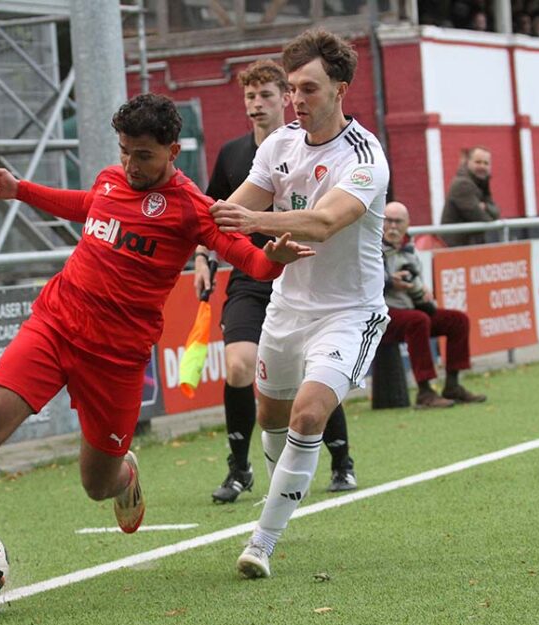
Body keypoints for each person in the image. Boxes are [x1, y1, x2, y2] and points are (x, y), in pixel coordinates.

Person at [0, 93, 314, 594]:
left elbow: (251, 262)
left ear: (173, 152)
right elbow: (87, 206)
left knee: (96, 485)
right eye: (125, 150)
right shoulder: (111, 178)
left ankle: (125, 473)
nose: (130, 164)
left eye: (144, 155)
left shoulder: (192, 210)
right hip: (55, 324)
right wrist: (20, 189)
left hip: (115, 360)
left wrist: (275, 256)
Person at [209, 29, 390, 579]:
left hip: (348, 312)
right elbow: (232, 210)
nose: (296, 100)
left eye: (308, 89)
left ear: (340, 87)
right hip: (286, 308)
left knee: (310, 413)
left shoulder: (364, 154)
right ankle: (280, 496)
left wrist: (253, 223)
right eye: (292, 89)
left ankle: (262, 540)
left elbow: (326, 221)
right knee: (271, 413)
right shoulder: (279, 144)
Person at [192, 59, 358, 504]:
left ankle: (341, 459)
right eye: (249, 96)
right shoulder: (232, 154)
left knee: (313, 374)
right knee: (239, 366)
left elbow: (328, 220)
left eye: (266, 95)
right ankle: (239, 467)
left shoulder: (325, 149)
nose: (256, 105)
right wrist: (202, 255)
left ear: (286, 99)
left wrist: (253, 219)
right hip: (252, 275)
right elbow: (215, 212)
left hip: (305, 275)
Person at [381, 202, 487, 408]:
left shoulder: (409, 248)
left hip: (409, 306)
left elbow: (416, 278)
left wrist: (422, 290)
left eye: (398, 221)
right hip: (380, 314)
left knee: (457, 320)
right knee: (418, 321)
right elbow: (360, 283)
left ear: (407, 224)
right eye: (388, 221)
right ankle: (425, 391)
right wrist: (389, 282)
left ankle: (453, 385)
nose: (392, 226)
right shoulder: (369, 247)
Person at [440, 146, 500, 246]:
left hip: (471, 247)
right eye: (478, 162)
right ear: (468, 162)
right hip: (456, 250)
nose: (482, 166)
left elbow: (497, 212)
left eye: (486, 163)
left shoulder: (481, 183)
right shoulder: (462, 185)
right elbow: (483, 218)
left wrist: (485, 207)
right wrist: (489, 211)